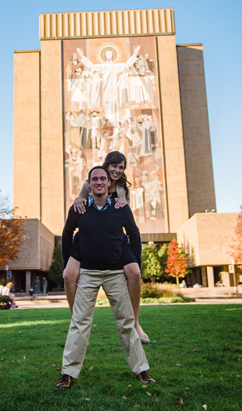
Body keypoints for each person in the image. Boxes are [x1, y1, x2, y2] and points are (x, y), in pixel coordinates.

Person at [55, 166, 154, 390]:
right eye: (94, 179)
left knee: (126, 322)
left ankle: (141, 370)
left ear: (109, 183)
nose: (99, 182)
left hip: (115, 273)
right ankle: (68, 373)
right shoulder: (79, 208)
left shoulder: (120, 207)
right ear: (89, 184)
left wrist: (134, 261)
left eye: (103, 179)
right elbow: (67, 234)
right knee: (79, 323)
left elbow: (134, 234)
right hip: (88, 273)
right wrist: (69, 259)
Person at [63, 150, 149, 343]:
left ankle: (135, 322)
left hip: (116, 239)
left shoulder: (122, 188)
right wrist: (78, 200)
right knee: (68, 275)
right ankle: (75, 319)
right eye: (114, 166)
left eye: (121, 168)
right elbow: (79, 203)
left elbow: (127, 220)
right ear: (106, 165)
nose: (117, 170)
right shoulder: (93, 181)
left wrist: (135, 256)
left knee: (134, 272)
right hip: (89, 239)